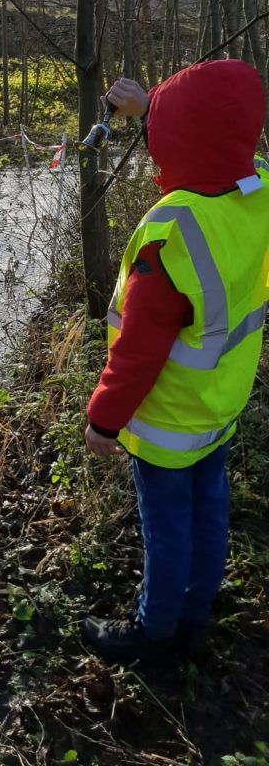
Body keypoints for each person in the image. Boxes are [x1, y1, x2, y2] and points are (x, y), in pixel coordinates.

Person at [81, 59, 269, 664]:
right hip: (222, 403)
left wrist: (104, 420)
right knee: (210, 512)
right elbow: (219, 133)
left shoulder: (172, 234)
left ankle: (153, 633)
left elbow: (138, 351)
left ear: (176, 141)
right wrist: (151, 107)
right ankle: (196, 613)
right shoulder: (259, 188)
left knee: (167, 530)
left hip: (167, 421)